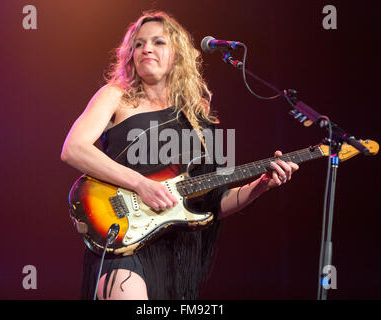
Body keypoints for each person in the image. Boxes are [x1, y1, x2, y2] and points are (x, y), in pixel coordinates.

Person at [60, 10, 299, 300]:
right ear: (130, 55)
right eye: (138, 44)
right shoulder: (115, 95)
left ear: (177, 53)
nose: (146, 48)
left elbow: (216, 202)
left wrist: (261, 185)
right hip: (121, 235)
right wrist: (141, 184)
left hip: (174, 251)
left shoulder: (200, 116)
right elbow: (74, 148)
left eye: (158, 42)